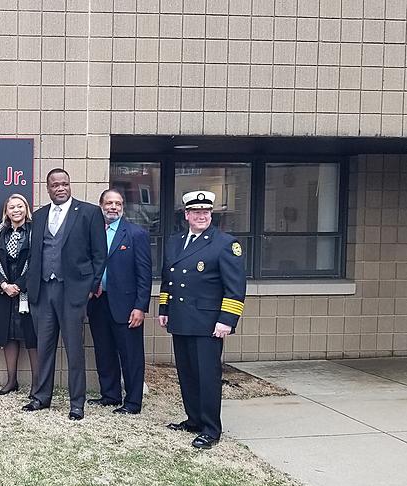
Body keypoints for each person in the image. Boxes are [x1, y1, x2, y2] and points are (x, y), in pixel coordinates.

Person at [158, 190, 247, 449]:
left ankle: (211, 428)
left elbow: (235, 287)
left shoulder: (224, 243)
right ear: (186, 215)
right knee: (187, 373)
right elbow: (169, 279)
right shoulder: (175, 242)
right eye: (195, 212)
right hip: (181, 319)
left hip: (208, 323)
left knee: (207, 376)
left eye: (206, 212)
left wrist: (227, 320)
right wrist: (164, 309)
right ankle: (194, 419)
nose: (201, 216)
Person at [22, 168, 108, 420]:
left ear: (70, 185)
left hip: (73, 292)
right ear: (47, 189)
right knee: (44, 347)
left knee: (74, 349)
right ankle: (41, 397)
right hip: (43, 290)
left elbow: (99, 255)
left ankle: (76, 403)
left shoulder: (89, 213)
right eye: (55, 185)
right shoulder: (38, 217)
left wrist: (90, 288)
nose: (60, 188)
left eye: (64, 184)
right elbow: (34, 254)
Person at [87, 189, 152, 414]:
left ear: (122, 206)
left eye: (118, 203)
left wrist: (140, 307)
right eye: (109, 203)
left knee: (130, 355)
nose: (113, 207)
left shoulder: (135, 234)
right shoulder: (92, 232)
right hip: (98, 301)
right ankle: (110, 395)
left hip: (126, 306)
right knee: (104, 351)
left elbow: (145, 275)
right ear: (101, 205)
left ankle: (133, 402)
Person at [0, 193, 38, 395]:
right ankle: (11, 381)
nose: (16, 210)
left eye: (20, 206)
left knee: (32, 338)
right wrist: (4, 285)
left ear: (26, 209)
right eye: (12, 207)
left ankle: (37, 386)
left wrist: (19, 285)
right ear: (6, 211)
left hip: (28, 292)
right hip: (4, 293)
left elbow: (37, 261)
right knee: (9, 337)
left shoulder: (35, 231)